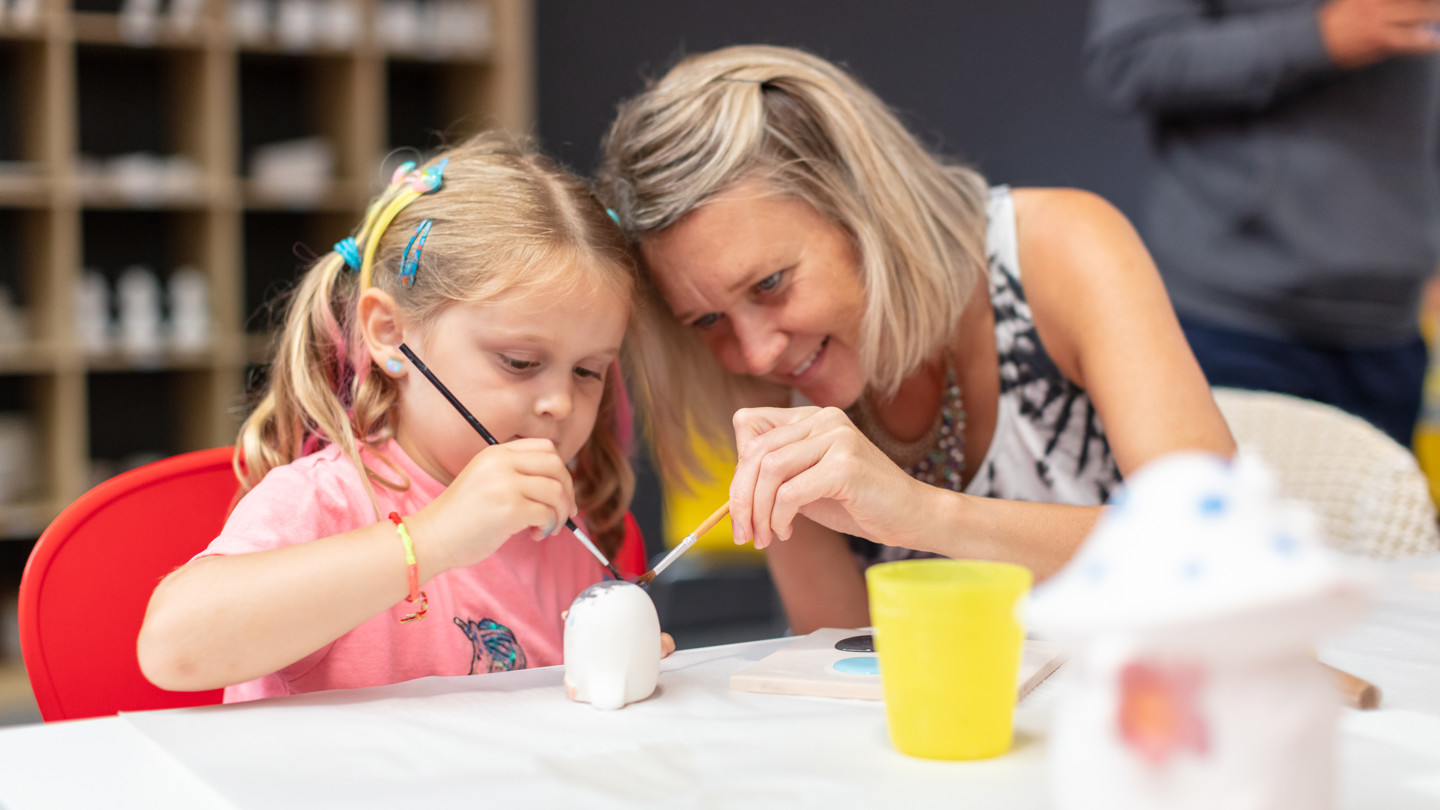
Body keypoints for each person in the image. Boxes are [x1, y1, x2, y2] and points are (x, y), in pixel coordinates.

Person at [597, 45, 1236, 634]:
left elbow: (1221, 541)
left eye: (770, 283)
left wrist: (923, 513)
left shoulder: (1061, 251)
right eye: (708, 322)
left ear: (861, 205)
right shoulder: (768, 404)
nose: (758, 353)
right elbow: (840, 667)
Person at [138, 133, 670, 701]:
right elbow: (173, 647)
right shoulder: (329, 502)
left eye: (588, 372)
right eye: (519, 362)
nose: (560, 403)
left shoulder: (559, 527)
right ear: (391, 334)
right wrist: (434, 539)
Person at [1084, 0, 1440, 447]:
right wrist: (1319, 36)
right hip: (1233, 321)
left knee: (1386, 514)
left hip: (1391, 327)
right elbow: (1126, 61)